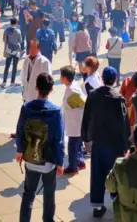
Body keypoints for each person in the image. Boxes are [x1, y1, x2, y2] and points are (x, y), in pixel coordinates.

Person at [81, 66, 131, 218]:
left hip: (98, 141)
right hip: (114, 143)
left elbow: (87, 117)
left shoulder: (93, 95)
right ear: (115, 80)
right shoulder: (118, 99)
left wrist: (86, 138)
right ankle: (116, 201)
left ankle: (97, 206)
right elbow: (124, 123)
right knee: (115, 174)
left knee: (97, 173)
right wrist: (126, 145)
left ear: (102, 78)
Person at [16, 72, 64, 222]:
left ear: (36, 88)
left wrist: (20, 150)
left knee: (28, 194)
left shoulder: (26, 107)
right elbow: (59, 140)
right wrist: (60, 162)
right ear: (51, 90)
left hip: (31, 157)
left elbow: (20, 131)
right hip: (48, 161)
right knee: (49, 194)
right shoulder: (56, 111)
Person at [60, 65, 86, 175]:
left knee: (73, 147)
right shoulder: (73, 85)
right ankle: (80, 162)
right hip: (75, 122)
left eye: (61, 76)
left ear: (65, 77)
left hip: (75, 122)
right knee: (78, 145)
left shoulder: (72, 90)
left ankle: (73, 167)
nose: (60, 78)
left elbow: (82, 103)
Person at [21, 38, 52, 104]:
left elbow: (47, 82)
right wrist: (23, 90)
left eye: (33, 48)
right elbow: (23, 77)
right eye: (30, 48)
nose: (31, 50)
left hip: (38, 98)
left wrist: (43, 96)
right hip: (26, 96)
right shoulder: (26, 59)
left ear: (38, 49)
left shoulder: (44, 62)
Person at [2, 18, 22, 87]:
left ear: (10, 23)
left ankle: (4, 82)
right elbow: (20, 40)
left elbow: (4, 40)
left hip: (8, 50)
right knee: (14, 66)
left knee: (7, 66)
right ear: (16, 23)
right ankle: (12, 82)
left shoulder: (6, 30)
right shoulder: (18, 31)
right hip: (16, 51)